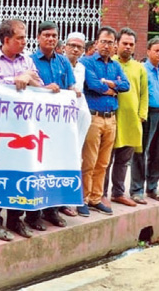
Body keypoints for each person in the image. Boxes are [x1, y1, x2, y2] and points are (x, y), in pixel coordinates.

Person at [0, 19, 44, 240]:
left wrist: (33, 81)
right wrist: (21, 78)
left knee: (21, 173)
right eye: (20, 38)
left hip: (23, 128)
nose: (24, 42)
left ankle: (16, 219)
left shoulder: (27, 59)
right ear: (6, 39)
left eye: (25, 37)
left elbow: (37, 82)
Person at [79, 27, 130, 216]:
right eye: (103, 41)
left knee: (103, 162)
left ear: (114, 45)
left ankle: (95, 198)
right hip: (94, 117)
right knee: (89, 160)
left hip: (111, 119)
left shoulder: (116, 66)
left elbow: (126, 85)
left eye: (110, 43)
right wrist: (111, 86)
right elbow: (92, 85)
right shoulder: (86, 62)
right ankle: (82, 199)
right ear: (96, 43)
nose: (107, 46)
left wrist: (109, 84)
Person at [29, 21, 75, 229]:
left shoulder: (64, 62)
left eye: (54, 35)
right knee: (37, 168)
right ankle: (33, 215)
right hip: (36, 125)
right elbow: (31, 88)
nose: (50, 38)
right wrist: (45, 89)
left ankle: (52, 210)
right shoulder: (29, 61)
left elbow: (71, 86)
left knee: (56, 167)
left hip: (59, 125)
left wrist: (74, 92)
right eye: (46, 35)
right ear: (38, 38)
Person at [104, 27, 147, 207]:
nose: (128, 47)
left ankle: (118, 193)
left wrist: (141, 115)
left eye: (131, 44)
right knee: (106, 159)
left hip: (132, 121)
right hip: (112, 118)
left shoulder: (139, 68)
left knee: (123, 161)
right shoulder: (110, 63)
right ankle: (101, 193)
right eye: (124, 43)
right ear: (117, 44)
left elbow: (144, 94)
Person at [129, 36, 159, 204]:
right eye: (156, 50)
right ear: (148, 51)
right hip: (147, 114)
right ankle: (136, 189)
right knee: (140, 152)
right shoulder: (141, 70)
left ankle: (152, 187)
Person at [62, 31, 92, 217]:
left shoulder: (81, 68)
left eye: (79, 47)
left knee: (75, 160)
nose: (75, 49)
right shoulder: (59, 64)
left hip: (79, 119)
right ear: (65, 46)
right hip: (61, 121)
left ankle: (70, 200)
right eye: (72, 45)